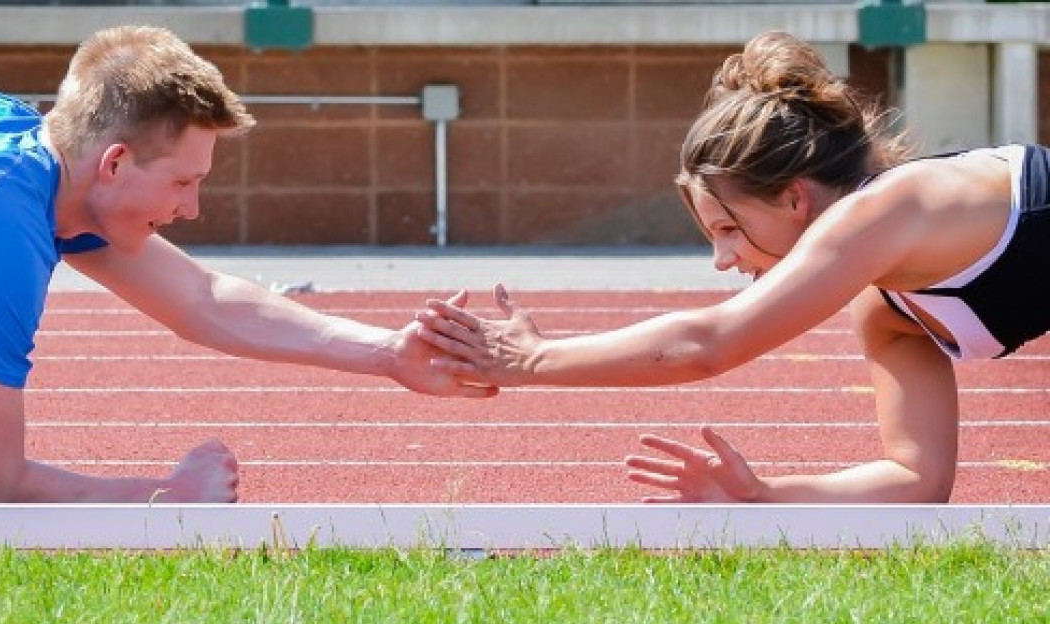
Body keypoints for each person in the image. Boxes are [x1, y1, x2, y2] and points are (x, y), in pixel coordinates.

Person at [0, 25, 494, 503]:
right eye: (184, 183)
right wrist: (166, 500)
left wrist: (388, 352)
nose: (191, 208)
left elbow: (203, 299)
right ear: (116, 163)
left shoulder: (28, 153)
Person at [415, 31, 1050, 503]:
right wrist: (761, 497)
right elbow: (918, 482)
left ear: (796, 198)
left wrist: (534, 361)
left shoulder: (885, 208)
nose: (723, 260)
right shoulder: (886, 310)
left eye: (727, 229)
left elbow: (707, 344)